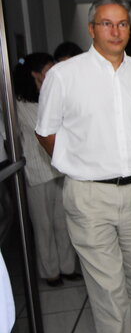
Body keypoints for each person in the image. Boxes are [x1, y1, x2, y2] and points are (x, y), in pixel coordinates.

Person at [36, 0, 131, 333]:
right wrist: (76, 164)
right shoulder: (63, 75)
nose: (115, 30)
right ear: (92, 29)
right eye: (106, 23)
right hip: (89, 197)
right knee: (109, 292)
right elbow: (45, 131)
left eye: (122, 23)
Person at [12, 53, 79, 287]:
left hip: (59, 168)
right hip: (36, 171)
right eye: (49, 70)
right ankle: (50, 271)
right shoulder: (19, 105)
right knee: (43, 225)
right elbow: (47, 125)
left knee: (63, 221)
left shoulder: (50, 97)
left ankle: (68, 267)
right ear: (35, 74)